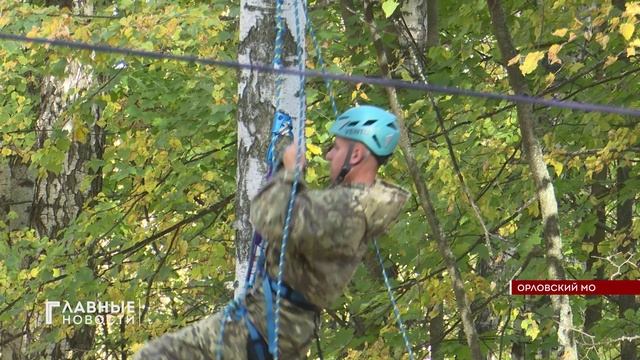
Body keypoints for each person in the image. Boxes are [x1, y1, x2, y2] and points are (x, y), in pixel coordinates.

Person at [134, 105, 409, 359]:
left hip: (264, 325)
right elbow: (304, 214)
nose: (328, 155)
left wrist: (290, 173)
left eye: (336, 148)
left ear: (357, 154)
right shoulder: (360, 205)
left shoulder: (348, 209)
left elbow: (267, 216)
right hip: (276, 325)